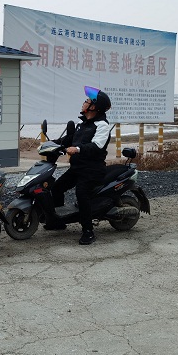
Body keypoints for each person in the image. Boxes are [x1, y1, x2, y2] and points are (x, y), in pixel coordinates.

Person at [46, 86, 114, 245]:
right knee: (57, 188)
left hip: (92, 170)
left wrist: (77, 149)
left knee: (82, 194)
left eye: (87, 101)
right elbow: (69, 139)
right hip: (77, 168)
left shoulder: (102, 126)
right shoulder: (81, 123)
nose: (84, 103)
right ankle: (58, 222)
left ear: (94, 107)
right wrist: (51, 144)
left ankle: (88, 231)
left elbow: (96, 146)